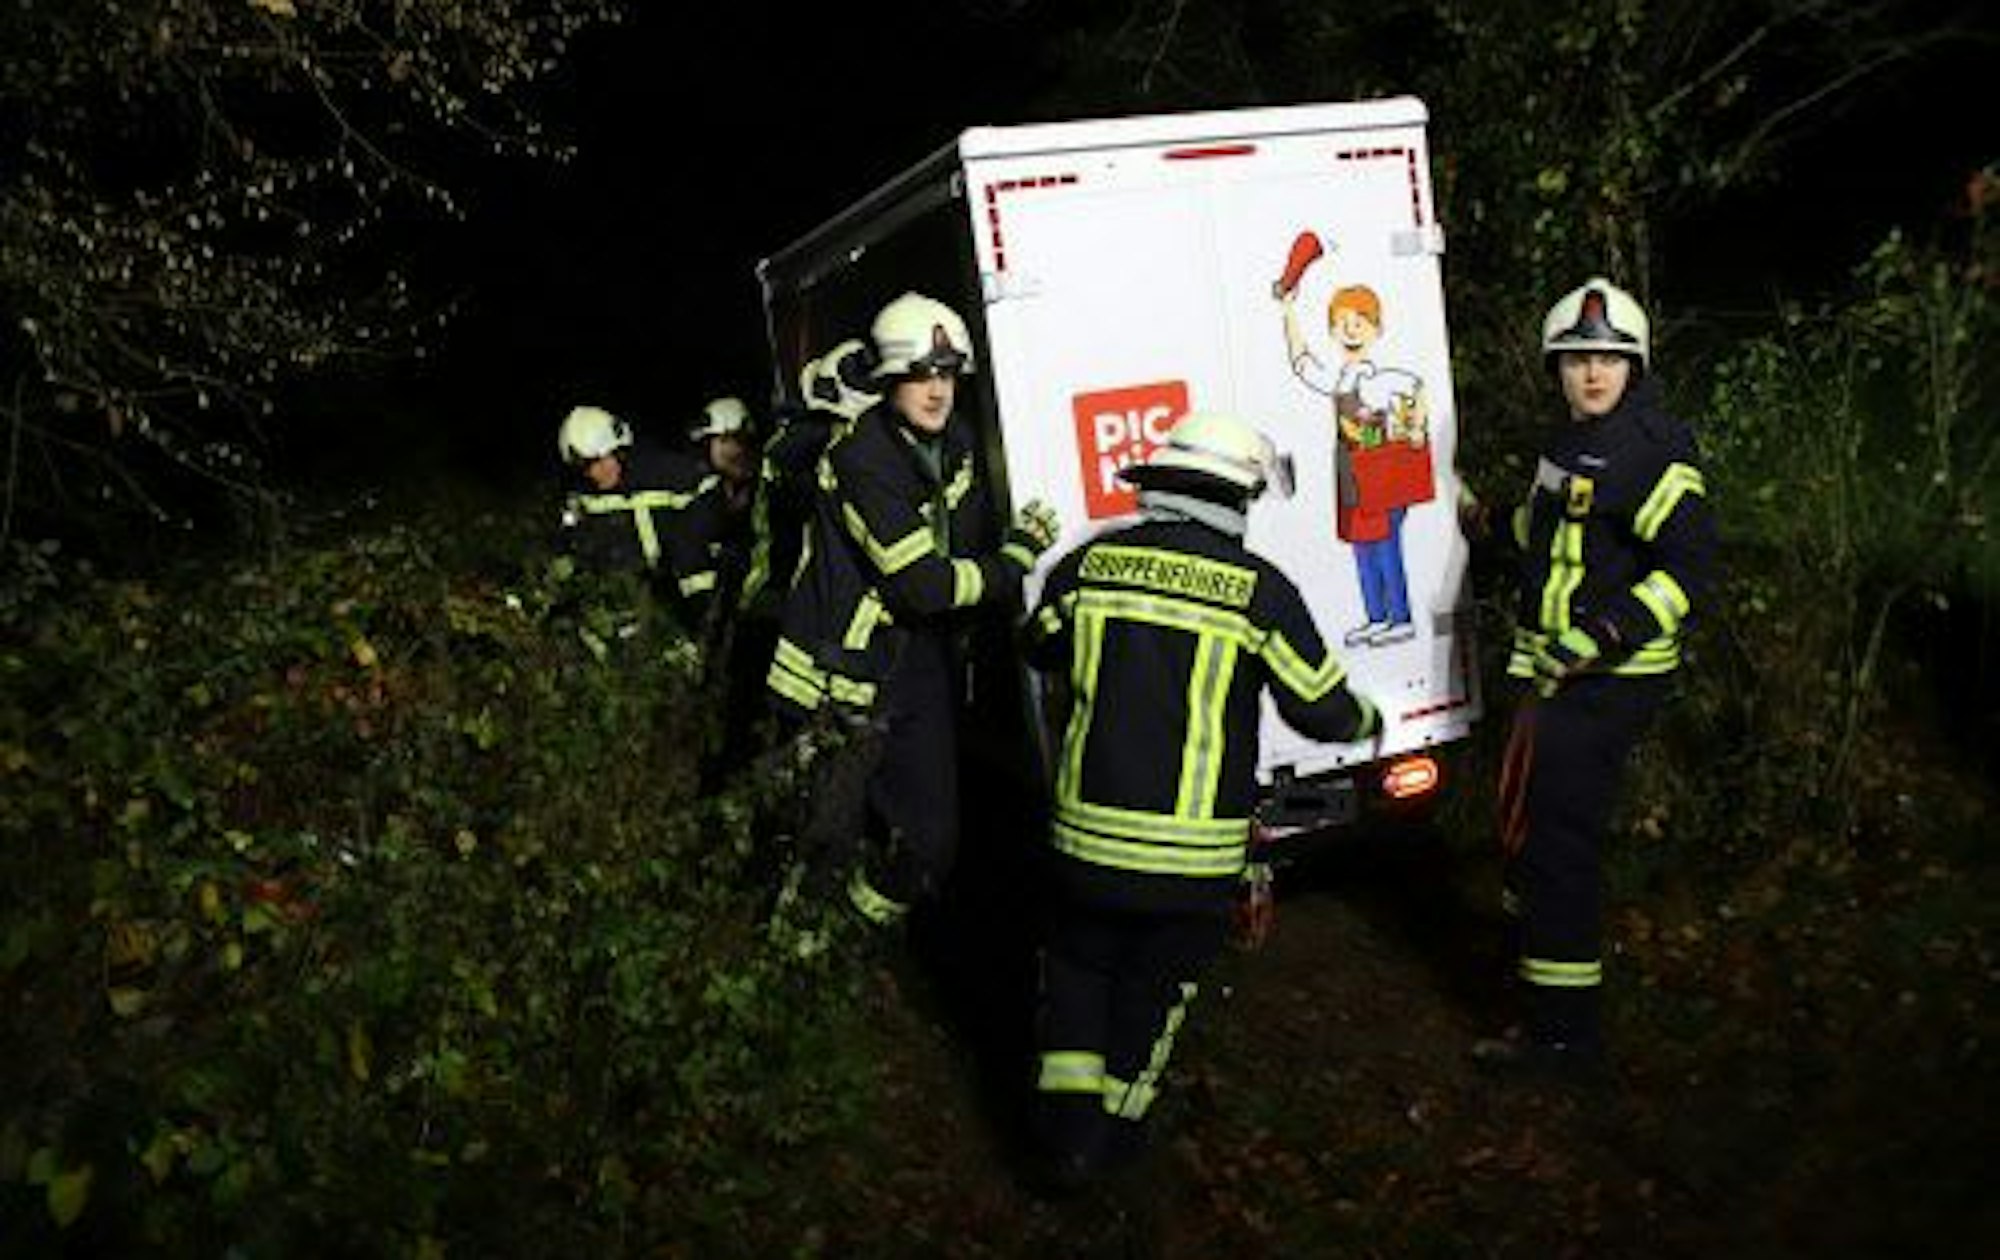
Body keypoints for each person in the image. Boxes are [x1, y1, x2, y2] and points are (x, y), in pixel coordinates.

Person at [1017, 410, 1384, 1191]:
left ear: (1160, 482)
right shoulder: (1260, 593)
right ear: (1239, 496)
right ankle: (1118, 1132)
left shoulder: (1087, 565)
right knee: (1154, 991)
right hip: (1190, 865)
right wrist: (1369, 719)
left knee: (1077, 974)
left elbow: (1038, 645)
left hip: (1084, 847)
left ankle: (1066, 1141)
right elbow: (1322, 711)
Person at [1463, 277, 1718, 1084]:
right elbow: (1549, 530)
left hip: (1609, 681)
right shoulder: (1568, 440)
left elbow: (1689, 571)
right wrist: (1479, 523)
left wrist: (1604, 635)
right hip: (1558, 676)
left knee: (1558, 849)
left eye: (1609, 357)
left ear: (1633, 366)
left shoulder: (1651, 449)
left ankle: (1563, 1041)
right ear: (1557, 370)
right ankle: (1543, 995)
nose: (1594, 372)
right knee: (1535, 839)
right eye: (1577, 359)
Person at [764, 291, 1060, 930]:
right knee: (822, 838)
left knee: (932, 842)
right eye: (920, 374)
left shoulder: (957, 443)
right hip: (837, 675)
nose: (937, 389)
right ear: (889, 378)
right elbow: (921, 586)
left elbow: (963, 540)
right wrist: (1014, 561)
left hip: (916, 664)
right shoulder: (860, 457)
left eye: (947, 373)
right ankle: (799, 952)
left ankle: (861, 931)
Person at [554, 402, 739, 641]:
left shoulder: (668, 474)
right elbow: (575, 545)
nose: (594, 473)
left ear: (619, 451)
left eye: (598, 461)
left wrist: (702, 604)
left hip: (690, 585)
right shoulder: (583, 495)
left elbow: (699, 538)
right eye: (585, 467)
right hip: (636, 595)